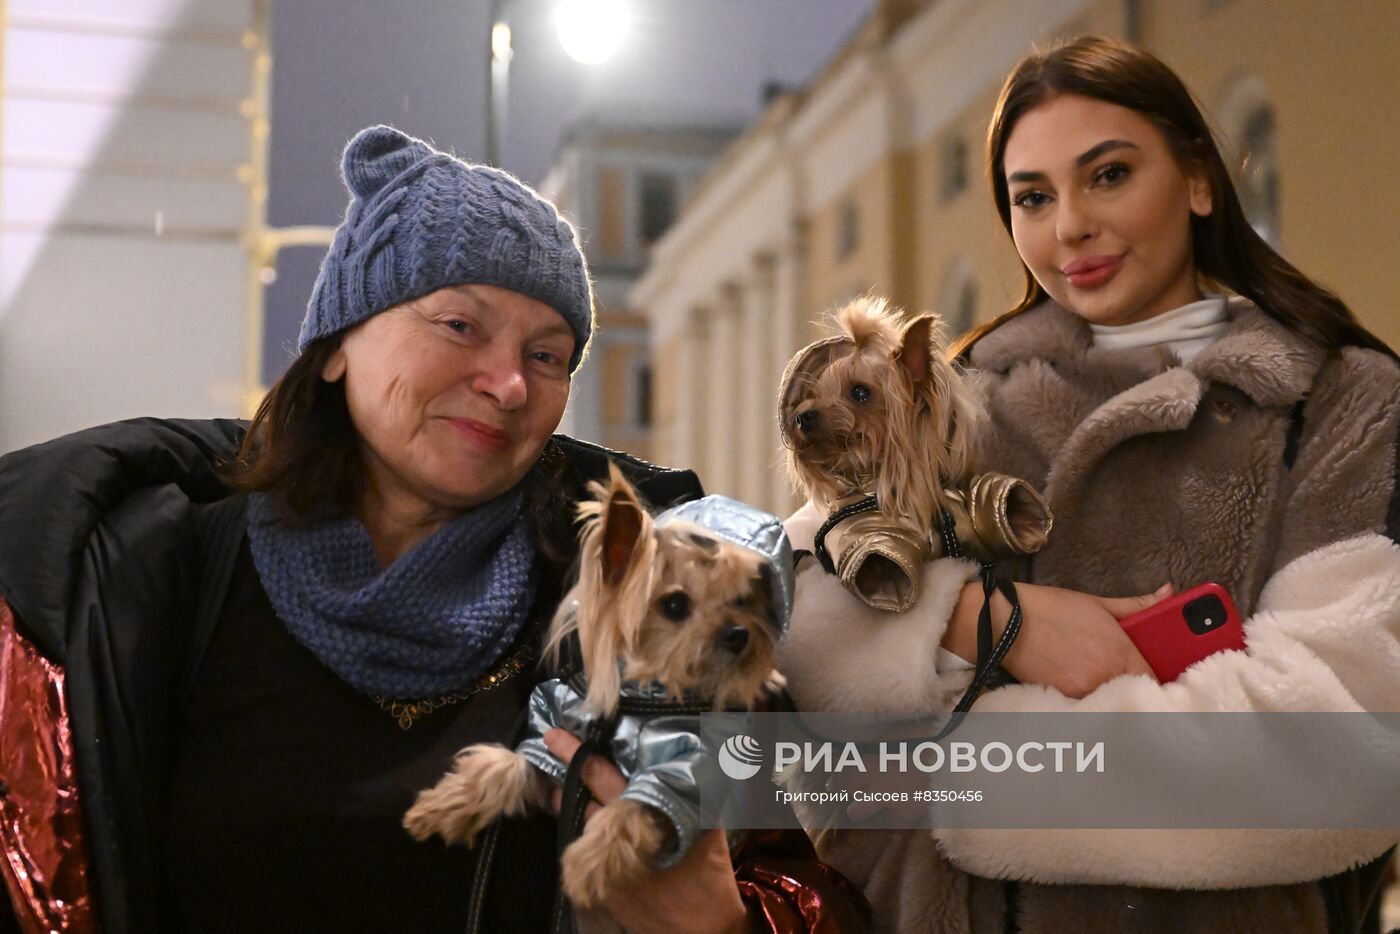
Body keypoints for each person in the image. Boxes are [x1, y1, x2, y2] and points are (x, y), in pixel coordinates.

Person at [0, 125, 870, 934]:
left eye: (547, 355)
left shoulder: (660, 609)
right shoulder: (149, 579)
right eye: (460, 326)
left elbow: (804, 894)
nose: (509, 384)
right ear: (338, 343)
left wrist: (725, 926)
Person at [777, 35, 1399, 933]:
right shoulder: (952, 400)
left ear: (1197, 180)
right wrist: (989, 621)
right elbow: (797, 615)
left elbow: (1330, 752)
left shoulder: (1338, 402)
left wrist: (951, 768)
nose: (1068, 225)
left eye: (1107, 175)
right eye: (1032, 196)